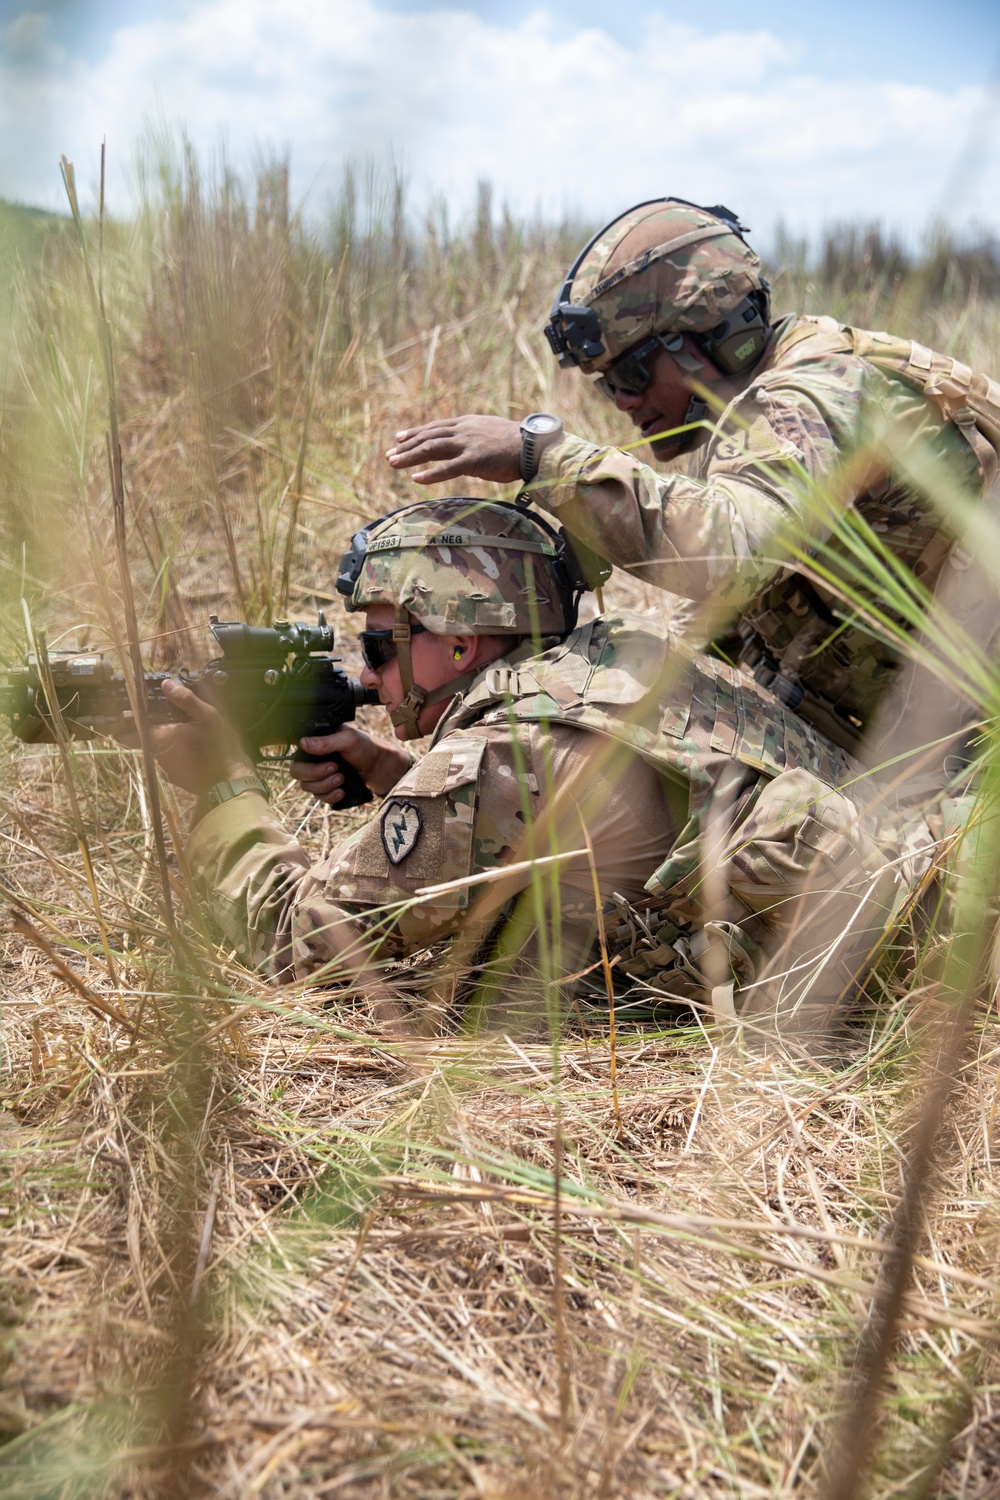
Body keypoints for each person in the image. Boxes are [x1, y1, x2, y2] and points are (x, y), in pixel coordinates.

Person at [149, 496, 914, 1040]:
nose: (371, 674)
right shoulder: (623, 655)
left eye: (381, 646)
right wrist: (391, 772)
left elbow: (300, 948)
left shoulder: (495, 760)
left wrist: (225, 789)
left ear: (460, 644)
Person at [384, 198, 1000, 781]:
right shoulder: (749, 413)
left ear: (709, 336)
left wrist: (541, 457)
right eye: (606, 385)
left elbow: (728, 555)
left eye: (631, 372)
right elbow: (709, 633)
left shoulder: (812, 393)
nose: (623, 400)